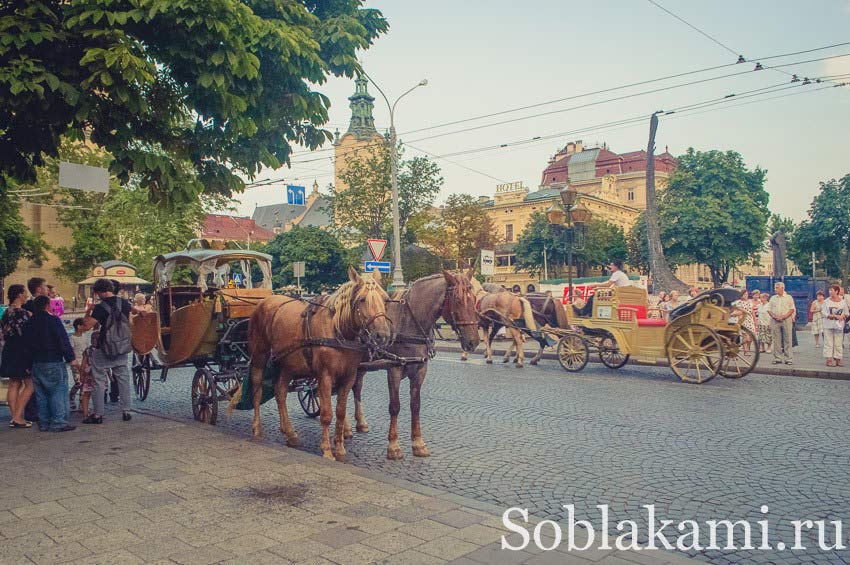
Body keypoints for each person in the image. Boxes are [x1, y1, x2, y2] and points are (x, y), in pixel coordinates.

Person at [78, 278, 142, 423]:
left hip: (105, 348)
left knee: (99, 380)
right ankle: (126, 410)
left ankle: (98, 414)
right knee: (123, 378)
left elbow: (86, 327)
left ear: (99, 292)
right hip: (122, 346)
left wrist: (88, 311)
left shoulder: (100, 307)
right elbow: (136, 311)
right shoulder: (124, 303)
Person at [21, 296, 76, 432]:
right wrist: (71, 358)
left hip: (36, 362)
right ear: (47, 305)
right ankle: (59, 421)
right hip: (53, 360)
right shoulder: (53, 321)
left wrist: (27, 364)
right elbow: (62, 340)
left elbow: (25, 346)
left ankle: (44, 422)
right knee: (57, 391)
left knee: (41, 395)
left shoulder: (29, 323)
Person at [1, 285, 34, 428]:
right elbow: (26, 335)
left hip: (9, 349)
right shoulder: (23, 313)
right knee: (30, 384)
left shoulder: (6, 312)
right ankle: (18, 416)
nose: (26, 296)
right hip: (22, 351)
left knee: (14, 383)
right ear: (19, 295)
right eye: (24, 293)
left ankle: (14, 415)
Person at [768, 282, 796, 365]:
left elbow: (791, 309)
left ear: (782, 288)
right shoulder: (773, 298)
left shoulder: (789, 297)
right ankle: (777, 358)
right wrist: (774, 316)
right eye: (775, 287)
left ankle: (789, 359)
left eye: (777, 288)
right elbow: (769, 309)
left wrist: (783, 316)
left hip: (786, 319)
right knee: (776, 340)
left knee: (788, 339)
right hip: (775, 320)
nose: (775, 289)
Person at [821, 285, 846, 367]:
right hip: (828, 325)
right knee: (828, 343)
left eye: (832, 290)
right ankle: (829, 360)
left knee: (838, 343)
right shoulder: (826, 302)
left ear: (837, 291)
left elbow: (846, 312)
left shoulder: (842, 301)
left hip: (839, 325)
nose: (830, 292)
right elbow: (824, 313)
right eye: (829, 290)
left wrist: (843, 316)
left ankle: (838, 359)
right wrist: (834, 316)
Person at [68, 318, 89, 411]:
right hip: (76, 363)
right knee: (79, 382)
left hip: (85, 362)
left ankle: (82, 403)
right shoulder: (72, 338)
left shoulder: (85, 337)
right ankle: (71, 396)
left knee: (84, 383)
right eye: (83, 325)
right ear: (79, 326)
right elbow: (71, 352)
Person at [732, 289, 756, 354]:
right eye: (744, 294)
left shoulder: (750, 302)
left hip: (750, 319)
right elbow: (733, 308)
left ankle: (748, 347)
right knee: (745, 335)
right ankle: (746, 350)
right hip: (743, 319)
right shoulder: (738, 302)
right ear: (741, 295)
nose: (746, 296)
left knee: (751, 336)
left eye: (747, 294)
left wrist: (755, 321)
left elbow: (752, 312)